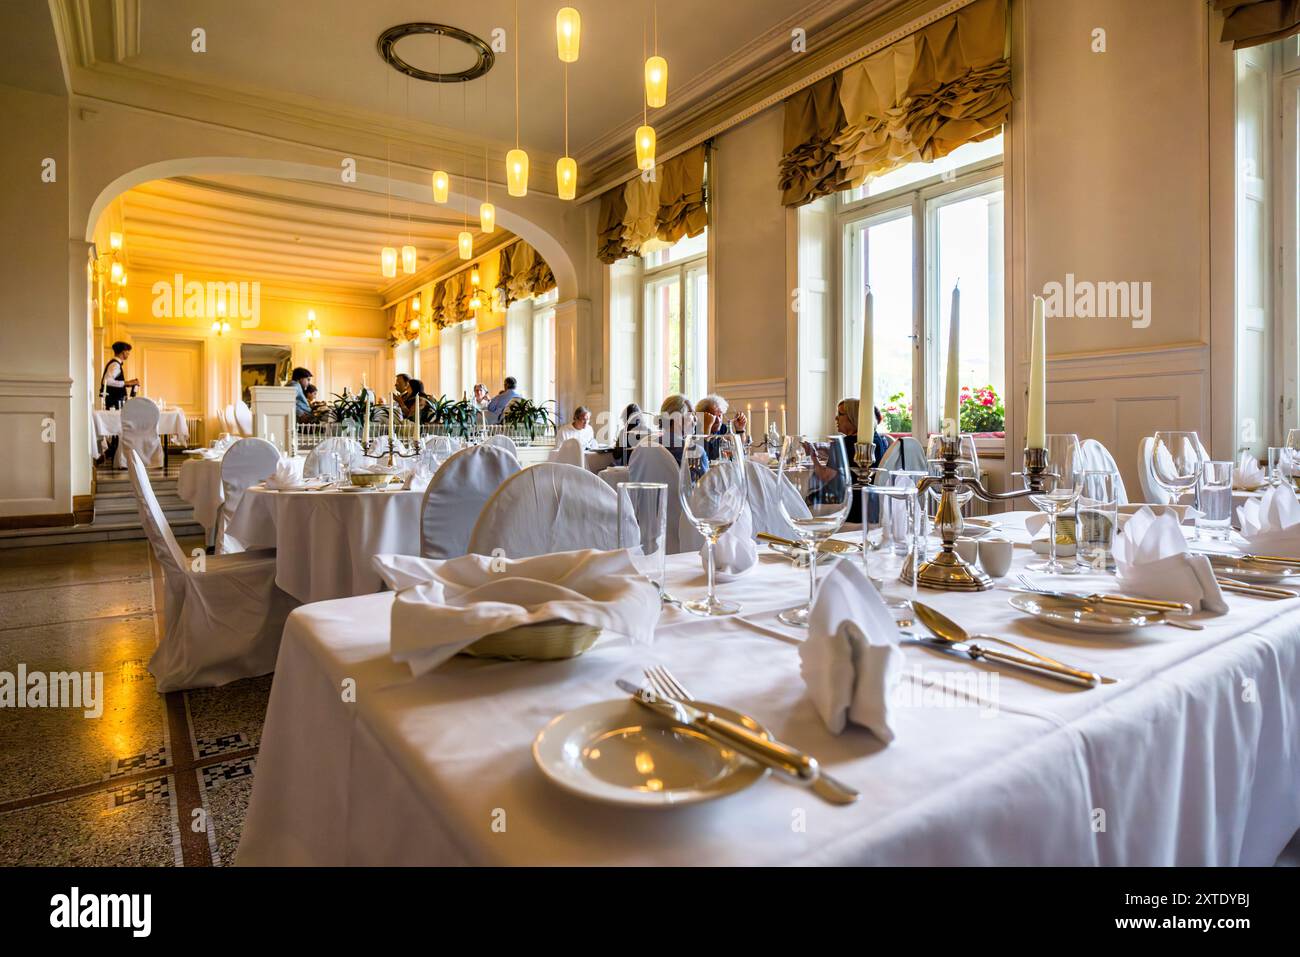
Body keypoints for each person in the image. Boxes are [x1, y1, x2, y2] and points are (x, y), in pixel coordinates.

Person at [98, 341, 139, 466]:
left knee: (119, 428)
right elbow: (107, 380)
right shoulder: (115, 365)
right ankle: (113, 452)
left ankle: (114, 452)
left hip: (116, 401)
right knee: (118, 428)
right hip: (114, 402)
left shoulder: (117, 364)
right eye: (128, 351)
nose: (128, 354)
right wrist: (127, 383)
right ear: (123, 352)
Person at [696, 393, 746, 460]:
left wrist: (740, 429)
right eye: (713, 416)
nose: (718, 420)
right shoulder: (695, 430)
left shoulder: (723, 429)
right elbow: (700, 459)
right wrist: (707, 428)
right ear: (702, 417)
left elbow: (738, 452)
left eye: (720, 415)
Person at [659, 394, 702, 465]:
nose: (696, 419)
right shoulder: (694, 451)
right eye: (692, 414)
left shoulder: (645, 446)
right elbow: (706, 476)